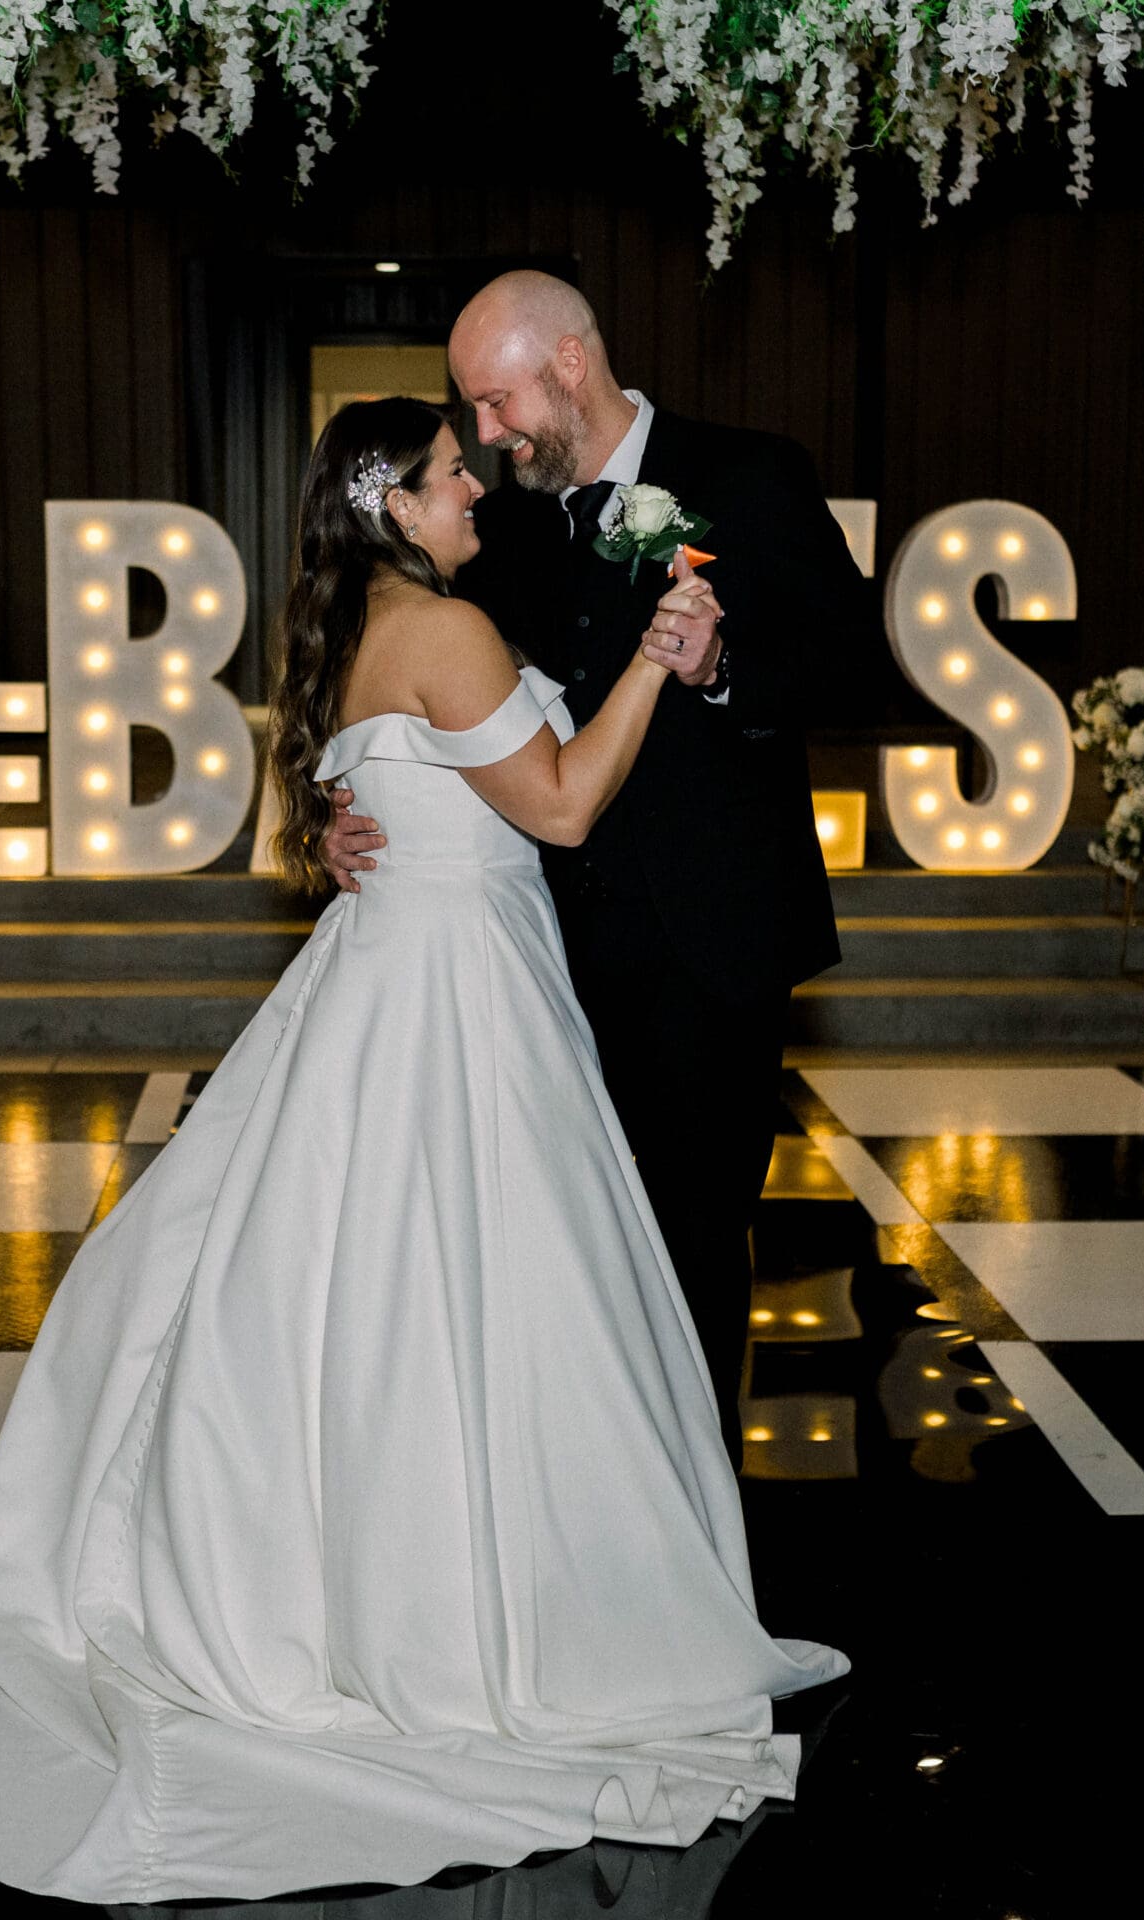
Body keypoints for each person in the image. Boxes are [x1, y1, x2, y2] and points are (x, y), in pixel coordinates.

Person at [0, 397, 846, 1904]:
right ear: (393, 502)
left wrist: (352, 810)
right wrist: (668, 665)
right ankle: (479, 1614)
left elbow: (378, 783)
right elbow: (562, 800)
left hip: (396, 974)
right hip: (459, 997)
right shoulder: (443, 630)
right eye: (450, 471)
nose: (475, 480)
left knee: (363, 1299)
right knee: (471, 1296)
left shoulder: (358, 616)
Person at [326, 272, 867, 1457]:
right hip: (534, 956)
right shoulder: (498, 524)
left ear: (569, 364)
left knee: (692, 1245)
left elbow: (851, 667)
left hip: (706, 949)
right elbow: (404, 693)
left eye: (498, 400)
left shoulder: (751, 475)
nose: (489, 433)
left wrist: (724, 666)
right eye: (474, 415)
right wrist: (349, 806)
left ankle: (695, 1514)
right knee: (554, 1253)